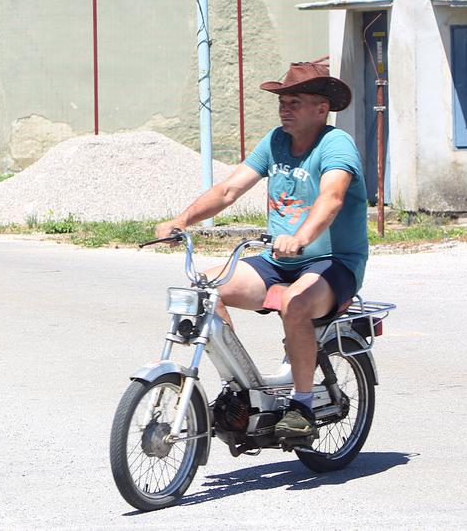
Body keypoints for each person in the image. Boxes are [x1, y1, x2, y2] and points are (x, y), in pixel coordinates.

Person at [155, 59, 369, 441]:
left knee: (296, 303)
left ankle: (302, 404)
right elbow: (228, 190)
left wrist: (301, 237)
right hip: (278, 259)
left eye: (295, 101)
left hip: (333, 262)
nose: (285, 108)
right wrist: (182, 219)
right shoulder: (275, 142)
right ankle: (239, 388)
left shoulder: (336, 144)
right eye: (282, 101)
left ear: (322, 108)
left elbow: (332, 197)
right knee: (206, 289)